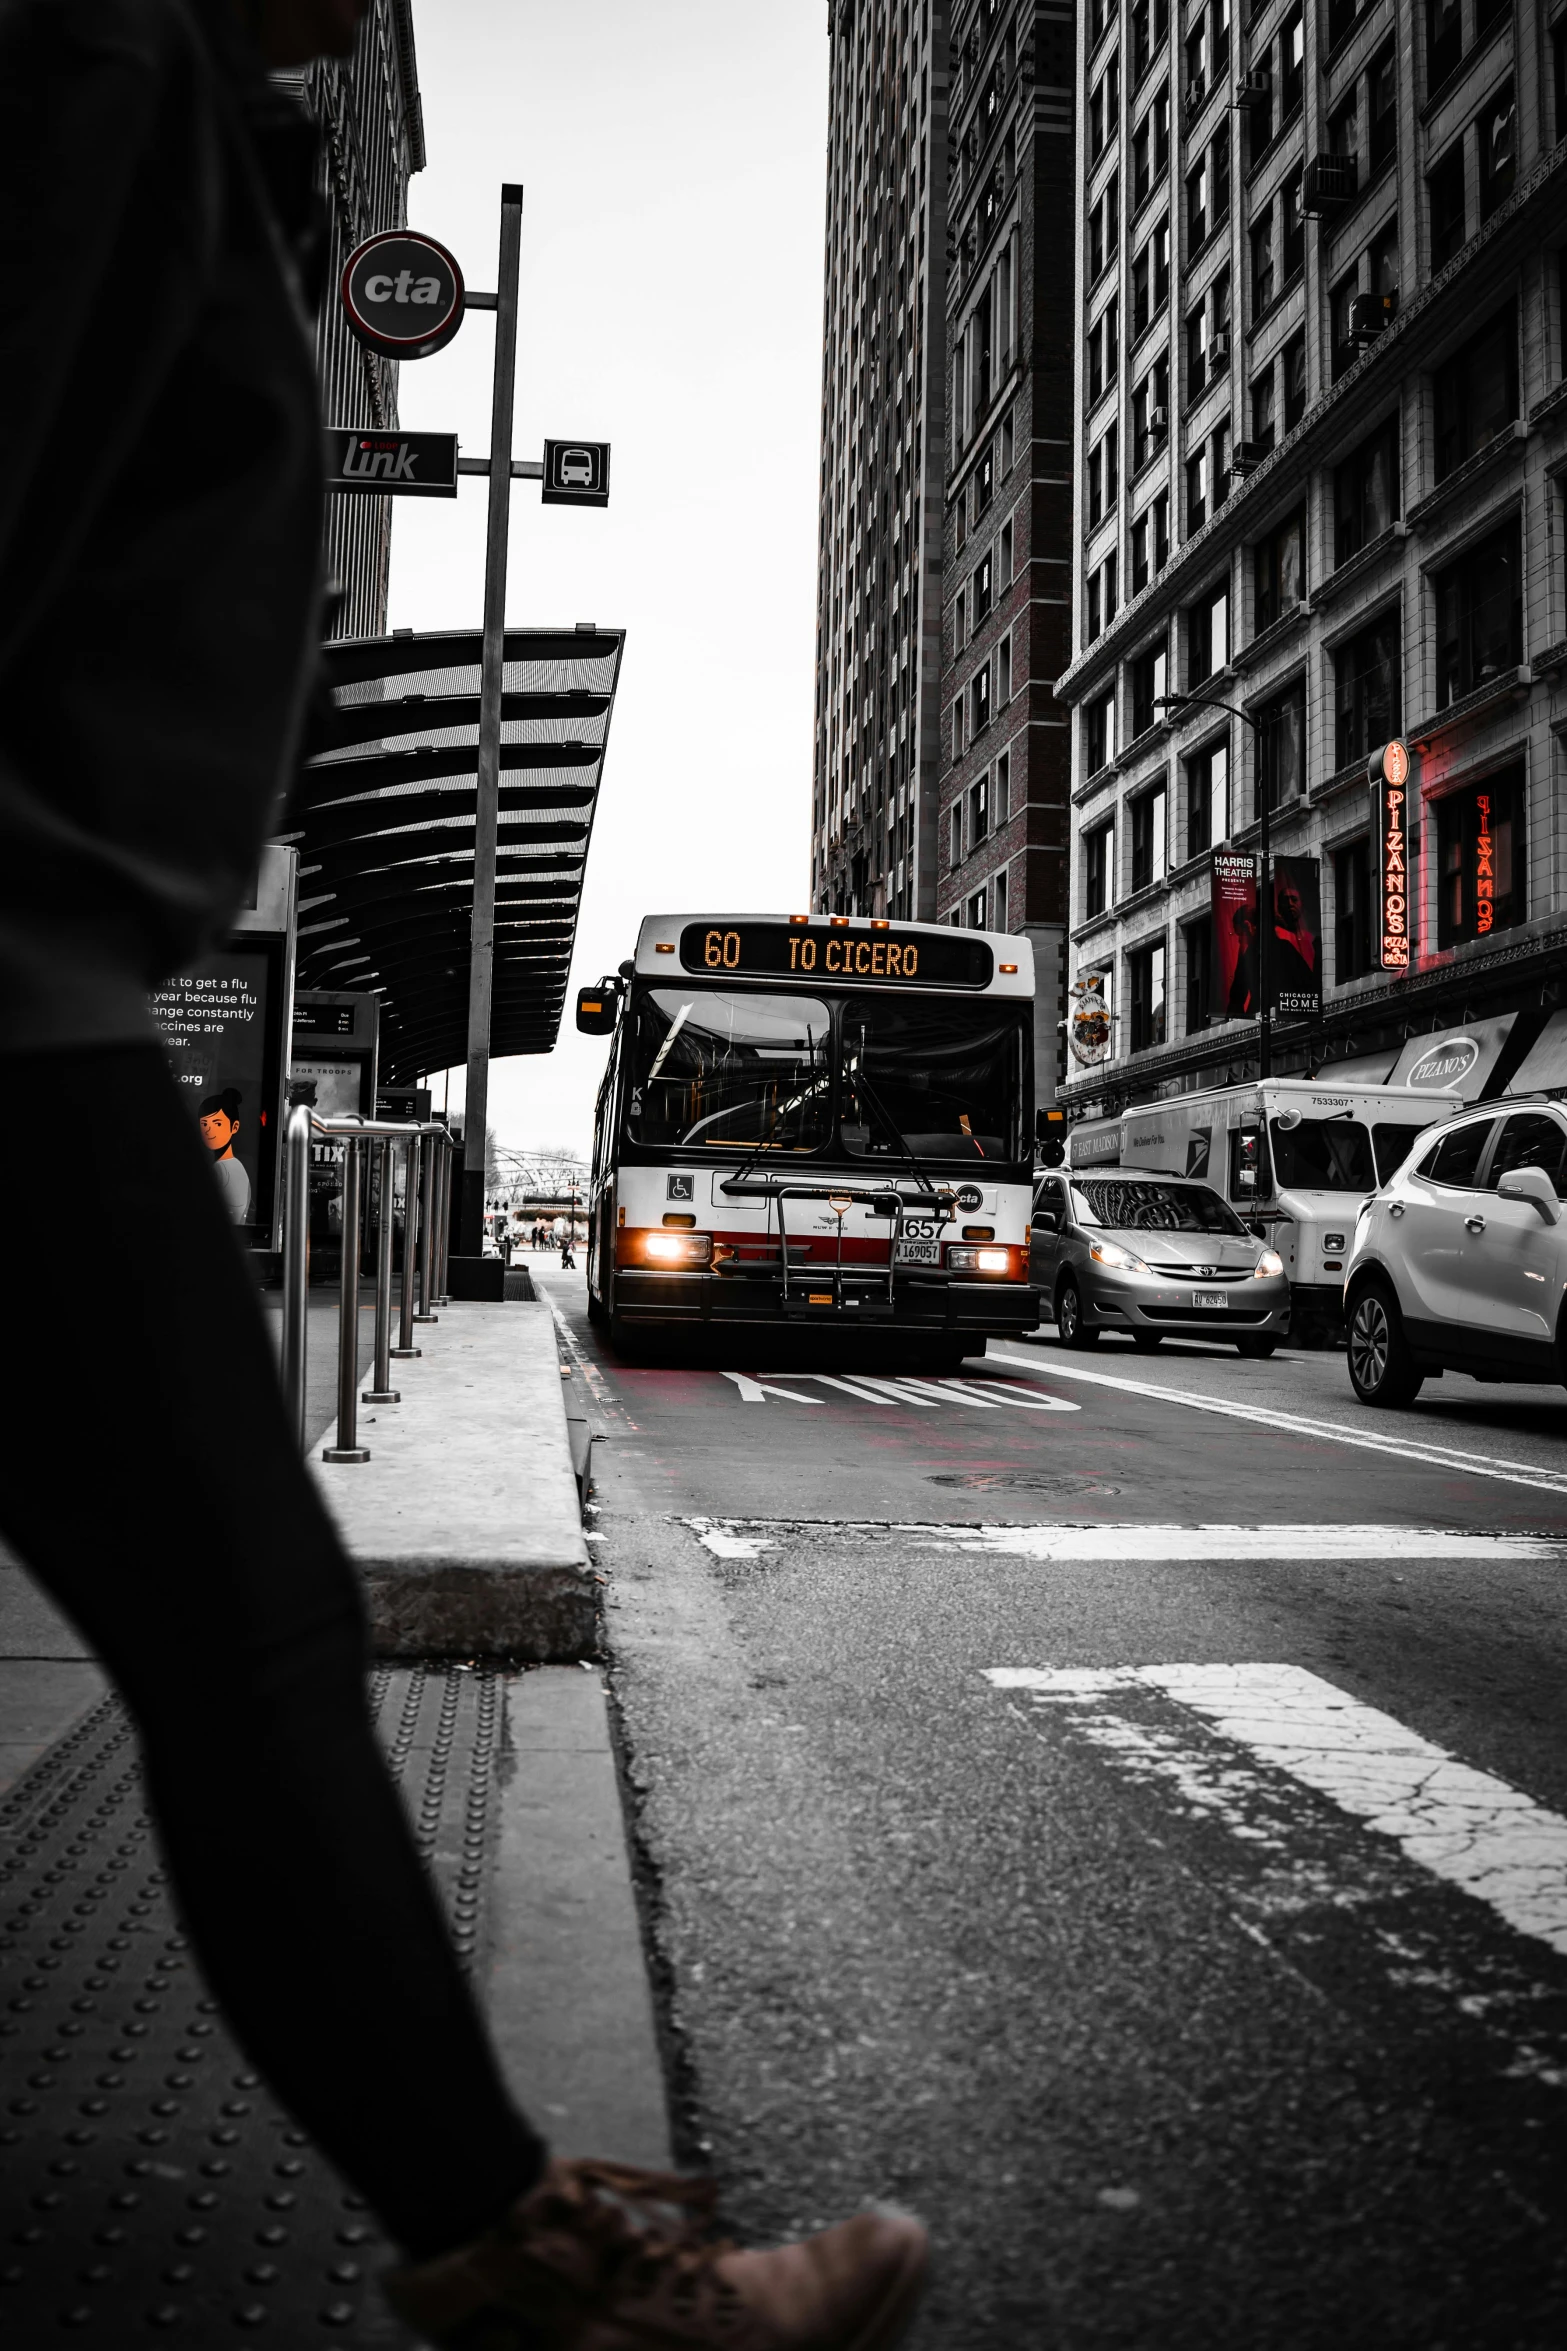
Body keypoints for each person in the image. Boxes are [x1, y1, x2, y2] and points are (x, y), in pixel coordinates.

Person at [0, 3, 927, 2346]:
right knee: (255, 1636)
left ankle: (514, 2226)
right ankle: (541, 2259)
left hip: (46, 970)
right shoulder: (89, 83)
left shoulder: (174, 110)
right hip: (9, 1000)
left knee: (246, 1641)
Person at [198, 1084, 252, 1221]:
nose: (209, 1130)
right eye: (204, 1124)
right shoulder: (236, 1165)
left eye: (217, 1124)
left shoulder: (220, 1168)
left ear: (234, 1127)